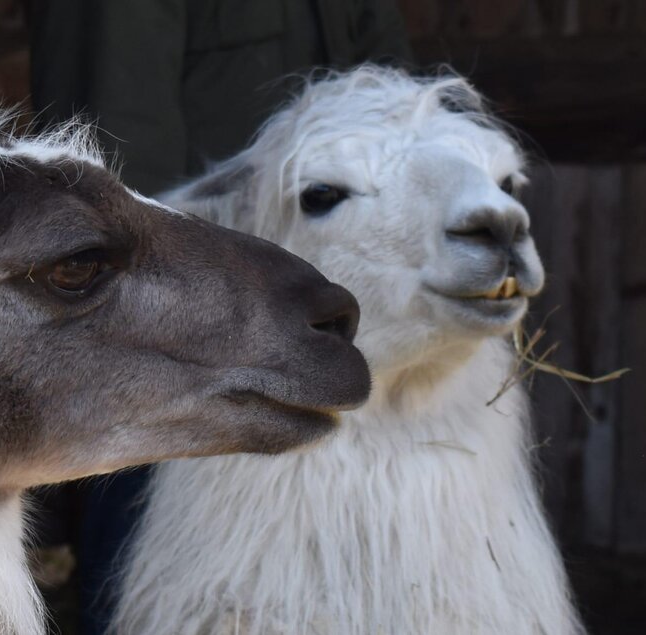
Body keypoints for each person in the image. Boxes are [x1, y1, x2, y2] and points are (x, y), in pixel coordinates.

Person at [27, 2, 412, 631]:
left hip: (320, 295)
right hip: (195, 316)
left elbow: (393, 90)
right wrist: (170, 309)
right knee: (152, 540)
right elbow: (117, 156)